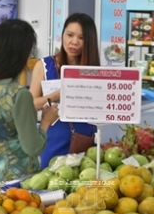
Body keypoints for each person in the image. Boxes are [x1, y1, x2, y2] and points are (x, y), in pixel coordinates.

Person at [0, 19, 59, 182]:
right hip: (16, 181)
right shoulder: (19, 94)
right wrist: (46, 121)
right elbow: (33, 147)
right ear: (22, 54)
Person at [29, 12, 101, 167]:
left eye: (81, 38)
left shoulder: (94, 70)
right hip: (54, 138)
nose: (74, 42)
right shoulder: (44, 66)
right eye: (70, 35)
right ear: (62, 35)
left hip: (86, 138)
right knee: (49, 178)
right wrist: (57, 94)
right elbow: (31, 103)